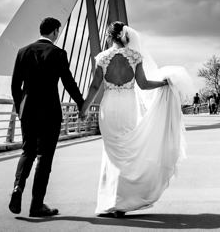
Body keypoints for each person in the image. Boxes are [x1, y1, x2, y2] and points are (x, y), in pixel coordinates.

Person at [81, 21, 193, 217]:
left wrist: (84, 108)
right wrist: (163, 83)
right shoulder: (135, 56)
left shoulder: (102, 57)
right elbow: (143, 84)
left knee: (111, 153)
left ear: (109, 37)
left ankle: (111, 202)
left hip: (109, 106)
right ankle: (124, 201)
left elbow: (94, 87)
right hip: (128, 105)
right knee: (127, 151)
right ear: (126, 36)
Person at [9, 16, 85, 217]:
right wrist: (81, 103)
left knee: (28, 151)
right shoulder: (58, 53)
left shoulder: (22, 52)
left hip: (28, 112)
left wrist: (20, 109)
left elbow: (15, 86)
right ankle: (37, 205)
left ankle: (17, 189)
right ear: (55, 32)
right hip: (49, 112)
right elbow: (68, 82)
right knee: (44, 157)